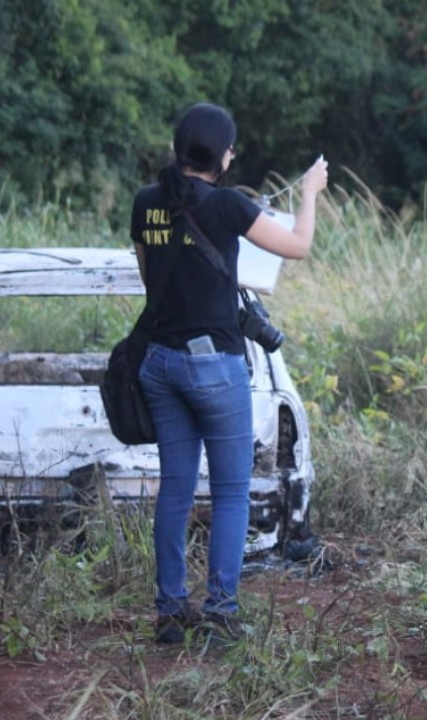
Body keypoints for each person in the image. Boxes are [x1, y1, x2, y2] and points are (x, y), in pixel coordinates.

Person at [130, 102, 328, 643]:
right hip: (214, 366)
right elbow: (301, 246)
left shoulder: (147, 203)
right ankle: (219, 614)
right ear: (223, 156)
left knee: (174, 489)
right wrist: (309, 192)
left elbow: (152, 282)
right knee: (231, 492)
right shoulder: (228, 208)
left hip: (160, 364)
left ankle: (171, 613)